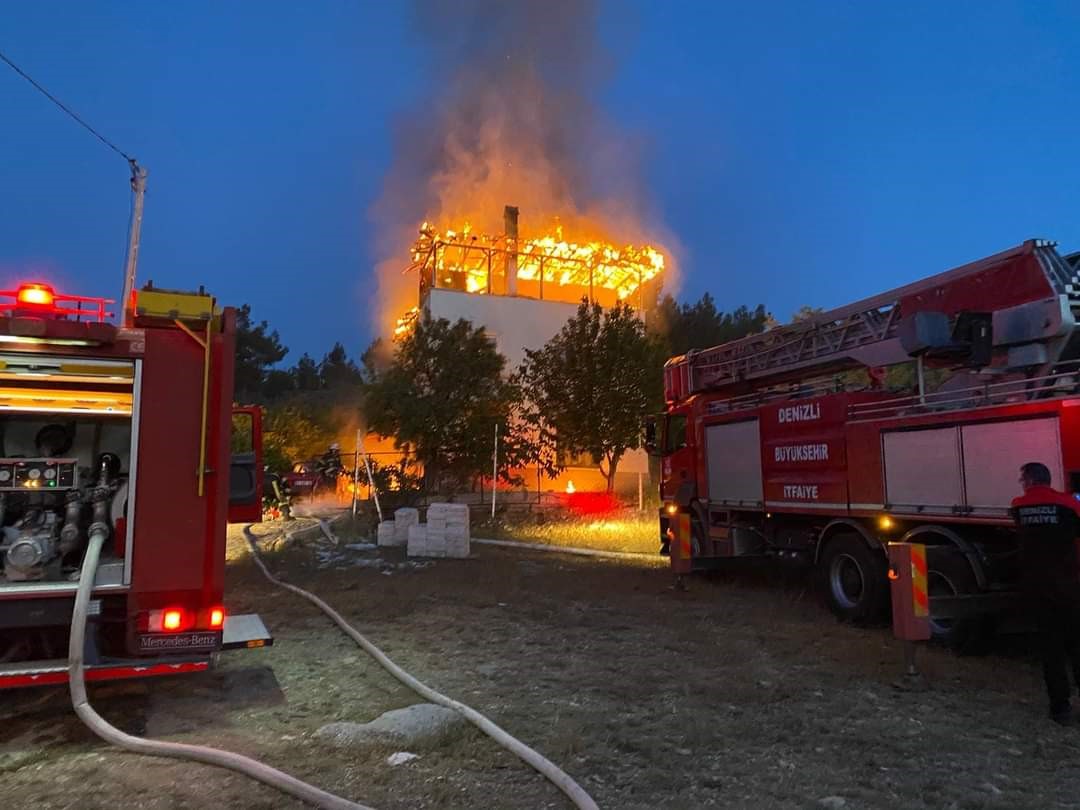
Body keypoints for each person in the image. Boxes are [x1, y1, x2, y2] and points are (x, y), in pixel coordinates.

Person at [1011, 462, 1080, 725]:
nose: (1022, 483)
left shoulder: (1019, 505)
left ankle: (1060, 709)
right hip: (1069, 588)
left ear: (1029, 480)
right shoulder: (1068, 504)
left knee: (1051, 650)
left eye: (1022, 479)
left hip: (1038, 589)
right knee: (1077, 646)